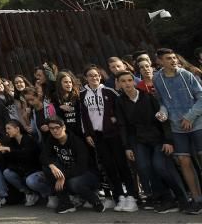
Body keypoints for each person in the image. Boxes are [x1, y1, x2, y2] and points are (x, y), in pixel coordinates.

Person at [114, 70, 180, 213]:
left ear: (134, 81)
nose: (127, 84)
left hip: (157, 139)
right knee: (144, 167)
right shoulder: (119, 101)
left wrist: (168, 140)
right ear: (119, 84)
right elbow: (122, 125)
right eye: (123, 81)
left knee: (159, 166)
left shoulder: (148, 97)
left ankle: (176, 197)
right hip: (138, 140)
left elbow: (163, 120)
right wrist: (127, 147)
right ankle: (161, 198)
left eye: (129, 80)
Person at [80, 65, 136, 210]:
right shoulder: (82, 94)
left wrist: (115, 120)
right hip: (97, 136)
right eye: (91, 75)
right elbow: (84, 116)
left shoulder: (109, 91)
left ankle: (132, 196)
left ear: (100, 76)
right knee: (109, 167)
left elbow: (121, 109)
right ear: (86, 78)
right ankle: (119, 197)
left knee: (121, 164)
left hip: (114, 134)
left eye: (97, 75)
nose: (94, 77)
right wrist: (87, 133)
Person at [155, 47, 202, 215]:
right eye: (168, 58)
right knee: (184, 162)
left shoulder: (187, 75)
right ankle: (197, 200)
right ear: (160, 61)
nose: (173, 60)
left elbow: (201, 97)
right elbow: (163, 102)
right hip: (176, 127)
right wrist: (163, 113)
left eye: (174, 57)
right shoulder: (157, 78)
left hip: (197, 123)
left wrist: (190, 117)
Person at [33, 117, 103, 214]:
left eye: (57, 127)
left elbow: (81, 167)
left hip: (88, 174)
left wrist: (62, 177)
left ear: (64, 127)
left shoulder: (76, 142)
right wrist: (52, 166)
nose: (54, 131)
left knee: (73, 183)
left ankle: (95, 200)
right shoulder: (51, 139)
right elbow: (43, 156)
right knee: (48, 168)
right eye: (51, 128)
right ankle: (66, 203)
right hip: (69, 173)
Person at [0, 119, 42, 207]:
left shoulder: (28, 138)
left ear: (17, 129)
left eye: (9, 128)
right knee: (7, 173)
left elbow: (26, 155)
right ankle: (29, 193)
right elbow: (12, 159)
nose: (7, 131)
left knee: (30, 180)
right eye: (6, 129)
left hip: (34, 170)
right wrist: (4, 152)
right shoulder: (12, 141)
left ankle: (48, 195)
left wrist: (8, 149)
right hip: (23, 170)